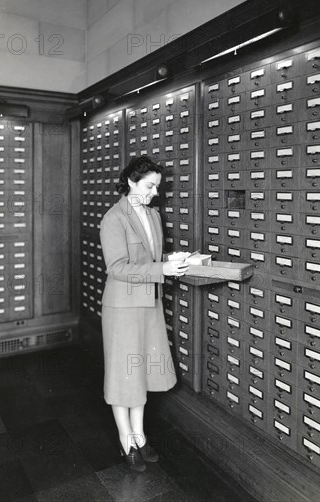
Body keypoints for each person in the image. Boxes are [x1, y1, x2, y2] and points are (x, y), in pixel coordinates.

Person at [99, 156, 189, 472]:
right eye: (150, 186)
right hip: (122, 307)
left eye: (157, 187)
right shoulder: (114, 218)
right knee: (124, 376)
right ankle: (126, 439)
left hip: (149, 303)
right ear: (131, 182)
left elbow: (148, 257)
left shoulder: (152, 215)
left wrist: (170, 259)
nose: (154, 193)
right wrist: (161, 268)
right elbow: (118, 267)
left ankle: (140, 434)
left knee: (142, 373)